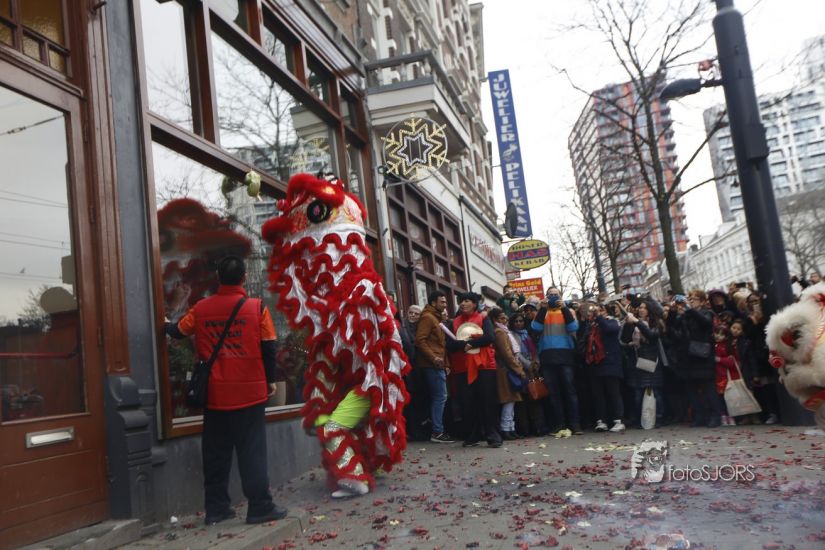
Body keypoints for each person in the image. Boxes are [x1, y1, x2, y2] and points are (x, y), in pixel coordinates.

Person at [165, 256, 287, 525]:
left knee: (215, 455)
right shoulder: (257, 308)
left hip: (215, 395)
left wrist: (164, 320)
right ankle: (260, 507)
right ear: (244, 277)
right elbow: (269, 346)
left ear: (218, 278)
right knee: (252, 453)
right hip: (250, 394)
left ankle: (216, 509)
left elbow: (178, 331)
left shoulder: (201, 308)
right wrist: (270, 380)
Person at [447, 291, 502, 448]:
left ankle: (493, 435)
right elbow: (449, 344)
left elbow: (490, 337)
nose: (463, 303)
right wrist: (463, 345)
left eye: (467, 301)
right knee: (467, 402)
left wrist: (471, 344)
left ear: (475, 304)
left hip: (484, 365)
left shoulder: (484, 318)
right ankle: (473, 435)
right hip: (462, 367)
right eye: (461, 301)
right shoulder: (454, 322)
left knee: (487, 401)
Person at [532, 286, 581, 436]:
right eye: (550, 295)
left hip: (565, 355)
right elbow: (535, 328)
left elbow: (573, 327)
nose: (553, 297)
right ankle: (559, 424)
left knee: (569, 391)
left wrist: (564, 308)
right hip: (548, 356)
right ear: (546, 297)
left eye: (556, 295)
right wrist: (542, 309)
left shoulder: (567, 311)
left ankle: (575, 424)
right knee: (554, 393)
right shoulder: (542, 312)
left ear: (561, 297)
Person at [415, 291, 454, 443]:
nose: (445, 305)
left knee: (440, 397)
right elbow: (420, 340)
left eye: (445, 302)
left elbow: (441, 344)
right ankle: (437, 431)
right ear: (433, 303)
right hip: (432, 365)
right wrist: (434, 358)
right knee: (440, 397)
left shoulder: (435, 318)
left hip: (438, 364)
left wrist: (446, 363)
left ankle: (437, 429)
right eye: (442, 302)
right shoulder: (428, 317)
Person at [621, 300, 666, 428]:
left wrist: (637, 322)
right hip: (637, 362)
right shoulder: (634, 323)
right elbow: (624, 339)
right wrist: (628, 325)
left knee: (656, 393)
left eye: (644, 308)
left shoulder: (656, 323)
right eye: (640, 307)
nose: (641, 310)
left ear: (650, 310)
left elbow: (651, 335)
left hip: (651, 361)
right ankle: (640, 419)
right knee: (638, 395)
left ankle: (659, 418)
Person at [682, 290, 722, 428]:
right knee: (692, 389)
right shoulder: (688, 314)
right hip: (690, 355)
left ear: (702, 301)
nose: (691, 301)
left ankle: (715, 416)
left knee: (709, 388)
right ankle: (700, 416)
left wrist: (690, 311)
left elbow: (705, 323)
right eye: (690, 299)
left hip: (704, 355)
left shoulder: (707, 313)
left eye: (694, 299)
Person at [582, 303, 625, 432]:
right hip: (595, 364)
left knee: (613, 392)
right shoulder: (591, 325)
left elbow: (609, 329)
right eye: (595, 311)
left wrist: (599, 317)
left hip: (610, 362)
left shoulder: (612, 321)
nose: (597, 313)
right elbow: (585, 340)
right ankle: (601, 421)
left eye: (601, 310)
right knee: (598, 395)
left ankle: (618, 420)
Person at [490, 307, 527, 440]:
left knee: (511, 399)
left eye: (505, 317)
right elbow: (506, 353)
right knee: (509, 399)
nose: (505, 320)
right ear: (494, 320)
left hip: (506, 368)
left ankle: (510, 428)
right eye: (501, 318)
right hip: (505, 369)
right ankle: (506, 428)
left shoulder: (503, 331)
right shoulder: (500, 332)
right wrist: (518, 369)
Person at [509, 311, 545, 437]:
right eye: (516, 321)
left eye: (521, 321)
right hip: (521, 370)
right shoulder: (511, 335)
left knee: (535, 397)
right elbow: (516, 353)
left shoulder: (527, 334)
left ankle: (538, 427)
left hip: (533, 370)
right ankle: (525, 429)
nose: (519, 323)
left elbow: (535, 351)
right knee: (522, 401)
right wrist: (528, 365)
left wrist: (536, 363)